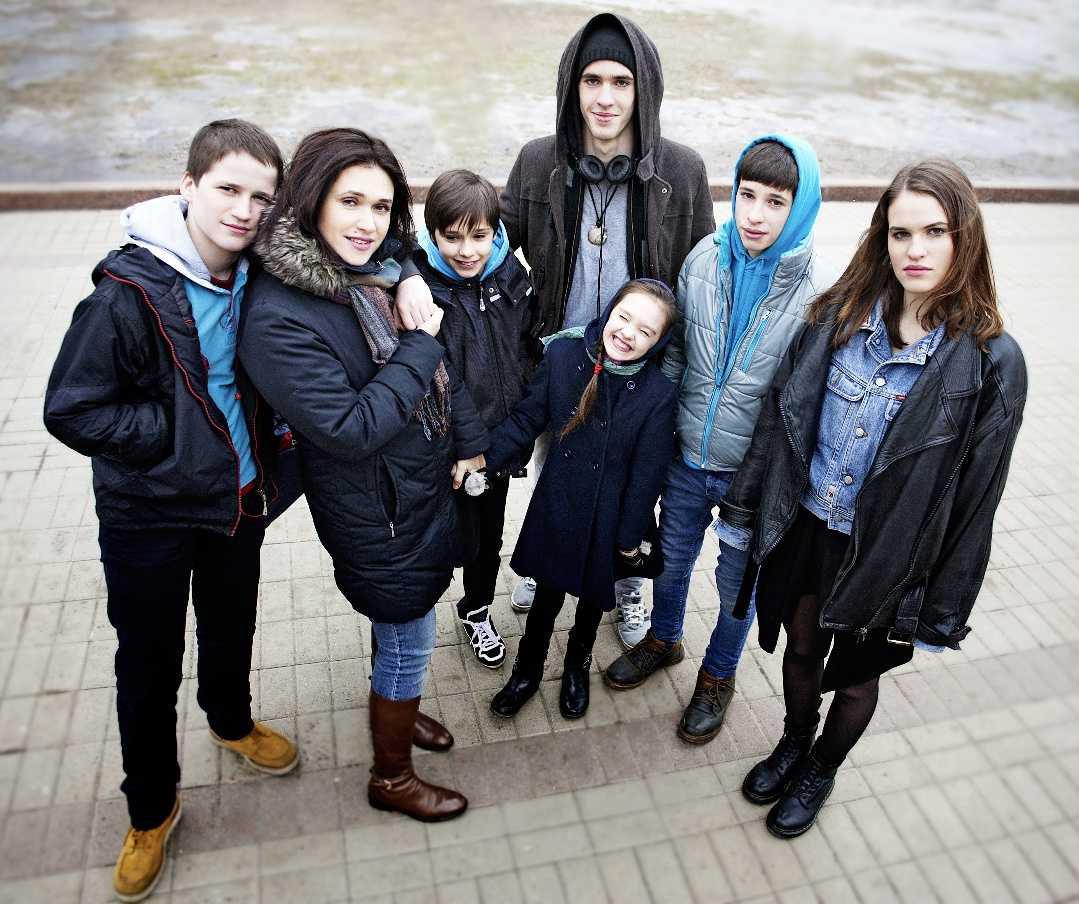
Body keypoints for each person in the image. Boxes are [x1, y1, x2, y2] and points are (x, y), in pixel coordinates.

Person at [719, 159, 1026, 839]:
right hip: (809, 527)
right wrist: (743, 513)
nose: (915, 250)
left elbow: (978, 497)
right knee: (800, 650)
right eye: (900, 233)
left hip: (889, 554)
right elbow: (779, 421)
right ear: (881, 238)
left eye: (934, 232)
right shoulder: (837, 316)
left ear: (964, 237)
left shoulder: (990, 361)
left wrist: (941, 609)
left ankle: (821, 768)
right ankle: (794, 742)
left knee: (856, 678)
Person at [396, 12, 715, 649]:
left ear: (645, 89)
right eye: (591, 80)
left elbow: (701, 272)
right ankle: (545, 565)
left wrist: (677, 372)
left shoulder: (681, 171)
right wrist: (405, 272)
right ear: (571, 86)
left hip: (640, 365)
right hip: (558, 359)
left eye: (621, 82)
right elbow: (482, 238)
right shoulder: (538, 160)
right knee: (552, 472)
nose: (605, 98)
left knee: (632, 486)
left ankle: (627, 586)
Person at [43, 119, 296, 902]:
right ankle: (151, 808)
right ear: (187, 187)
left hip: (237, 503)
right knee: (148, 665)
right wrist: (166, 434)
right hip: (147, 513)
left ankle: (230, 720)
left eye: (261, 197)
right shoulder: (126, 293)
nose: (245, 210)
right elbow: (70, 409)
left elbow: (356, 251)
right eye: (228, 189)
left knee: (231, 627)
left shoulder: (262, 275)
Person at [238, 128, 487, 823]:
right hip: (375, 508)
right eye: (350, 202)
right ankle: (392, 776)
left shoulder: (367, 269)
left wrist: (407, 273)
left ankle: (395, 709)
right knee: (408, 631)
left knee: (400, 625)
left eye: (380, 207)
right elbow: (350, 429)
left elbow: (399, 250)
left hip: (411, 487)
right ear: (311, 201)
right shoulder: (278, 316)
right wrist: (421, 344)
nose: (367, 223)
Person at [604, 136, 828, 746]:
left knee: (736, 586)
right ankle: (664, 638)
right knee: (671, 560)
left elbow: (804, 405)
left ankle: (718, 675)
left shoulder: (817, 295)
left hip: (749, 478)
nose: (755, 214)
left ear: (801, 207)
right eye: (747, 195)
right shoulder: (704, 258)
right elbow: (676, 355)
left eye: (775, 202)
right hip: (686, 457)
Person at [482, 279, 678, 720]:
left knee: (593, 599)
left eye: (645, 331)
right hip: (561, 501)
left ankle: (577, 663)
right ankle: (528, 667)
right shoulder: (564, 355)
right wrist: (483, 458)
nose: (628, 333)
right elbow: (527, 419)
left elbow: (647, 476)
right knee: (547, 593)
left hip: (611, 516)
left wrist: (628, 536)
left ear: (659, 342)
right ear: (610, 311)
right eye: (624, 317)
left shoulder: (657, 394)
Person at [414, 169, 537, 669]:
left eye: (479, 236)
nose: (467, 251)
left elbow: (528, 347)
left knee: (488, 540)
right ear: (432, 233)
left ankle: (476, 609)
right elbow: (437, 374)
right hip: (449, 449)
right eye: (452, 237)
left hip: (498, 444)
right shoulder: (419, 288)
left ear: (496, 232)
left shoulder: (511, 275)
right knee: (444, 540)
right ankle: (411, 625)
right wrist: (466, 446)